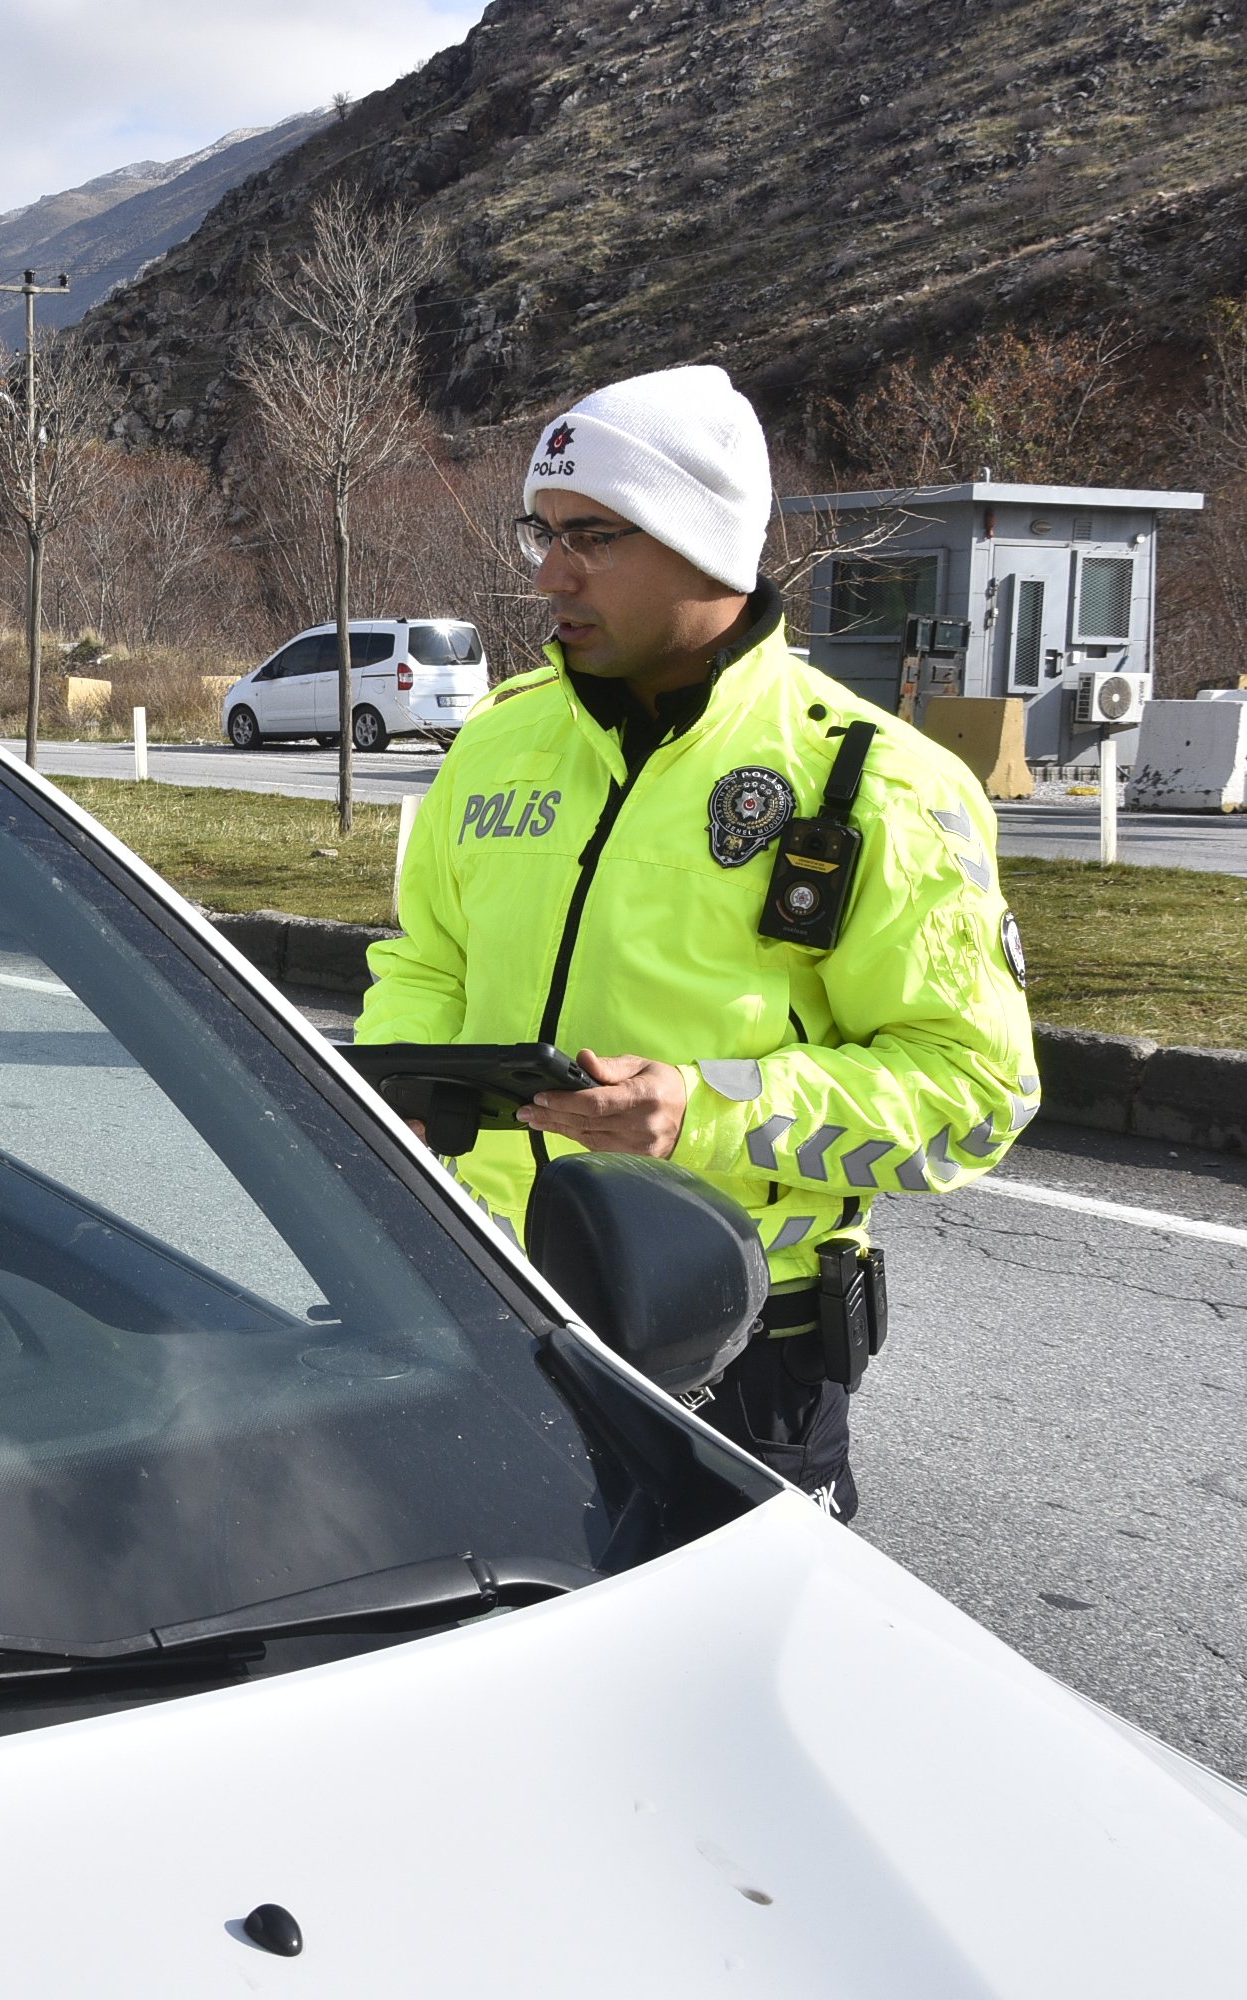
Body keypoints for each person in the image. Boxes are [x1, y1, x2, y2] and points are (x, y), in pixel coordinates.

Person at [355, 364, 1037, 1519]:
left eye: (593, 537)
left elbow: (973, 1091)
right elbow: (428, 962)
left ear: (707, 543)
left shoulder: (874, 781)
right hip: (483, 1307)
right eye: (544, 532)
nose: (549, 572)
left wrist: (699, 1112)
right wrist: (409, 1092)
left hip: (736, 1346)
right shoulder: (497, 740)